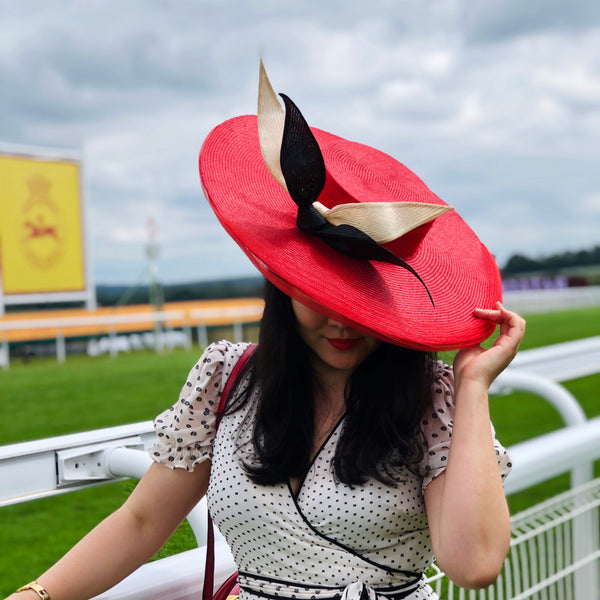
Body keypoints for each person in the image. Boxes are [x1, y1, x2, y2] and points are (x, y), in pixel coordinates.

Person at [8, 63, 525, 600]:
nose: (342, 321)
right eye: (322, 297)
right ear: (283, 286)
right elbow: (141, 522)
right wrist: (38, 595)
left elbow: (475, 562)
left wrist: (472, 386)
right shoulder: (226, 378)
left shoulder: (431, 397)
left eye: (365, 303)